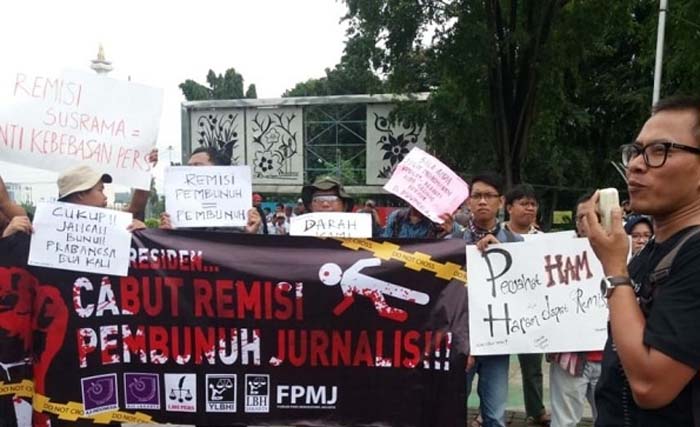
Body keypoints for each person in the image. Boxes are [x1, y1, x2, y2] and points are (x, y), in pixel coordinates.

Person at [581, 96, 700, 426]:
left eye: (660, 150)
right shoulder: (648, 254)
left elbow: (650, 386)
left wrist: (615, 271)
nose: (635, 164)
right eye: (635, 150)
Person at [462, 173, 522, 427]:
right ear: (468, 202)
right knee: (450, 407)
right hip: (462, 341)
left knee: (495, 416)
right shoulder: (451, 243)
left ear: (501, 201)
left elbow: (526, 290)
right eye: (477, 196)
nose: (482, 201)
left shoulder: (518, 244)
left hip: (498, 340)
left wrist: (503, 253)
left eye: (489, 196)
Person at [546, 192, 602, 427]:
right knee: (564, 423)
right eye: (580, 217)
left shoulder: (626, 252)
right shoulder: (555, 249)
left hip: (612, 359)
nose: (585, 222)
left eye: (594, 216)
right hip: (569, 358)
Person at [503, 184, 551, 427]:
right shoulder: (495, 237)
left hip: (532, 313)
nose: (530, 208)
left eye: (533, 204)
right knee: (495, 366)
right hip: (499, 312)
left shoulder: (544, 241)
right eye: (524, 203)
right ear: (509, 207)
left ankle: (536, 409)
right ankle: (489, 411)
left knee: (533, 366)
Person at [159, 146, 261, 233]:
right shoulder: (178, 213)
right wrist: (167, 234)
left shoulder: (241, 214)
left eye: (197, 165)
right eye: (189, 166)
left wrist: (250, 235)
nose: (191, 171)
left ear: (218, 171)